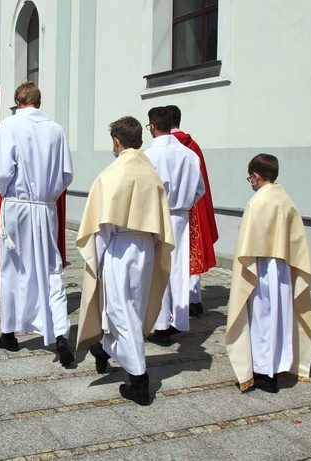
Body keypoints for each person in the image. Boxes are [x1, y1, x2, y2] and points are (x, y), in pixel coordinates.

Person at [75, 116, 174, 405]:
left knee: (120, 310)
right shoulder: (150, 173)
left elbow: (102, 227)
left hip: (120, 247)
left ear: (116, 142)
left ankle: (139, 380)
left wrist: (97, 258)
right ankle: (105, 349)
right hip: (145, 246)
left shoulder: (111, 174)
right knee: (133, 306)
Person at [0, 82, 74, 366]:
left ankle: (9, 333)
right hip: (46, 207)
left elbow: (2, 171)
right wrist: (48, 195)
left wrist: (4, 192)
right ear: (39, 101)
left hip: (17, 204)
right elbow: (66, 174)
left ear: (17, 101)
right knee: (51, 268)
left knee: (13, 267)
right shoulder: (56, 129)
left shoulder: (10, 125)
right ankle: (61, 332)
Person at [226, 154, 311, 394]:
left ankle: (264, 374)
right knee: (280, 315)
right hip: (283, 268)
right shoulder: (286, 200)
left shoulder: (258, 201)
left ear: (255, 176)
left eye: (250, 178)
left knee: (262, 318)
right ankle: (279, 363)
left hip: (262, 268)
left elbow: (249, 241)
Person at [144, 106, 204, 346]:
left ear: (152, 126)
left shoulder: (150, 155)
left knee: (158, 270)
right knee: (178, 270)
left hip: (158, 216)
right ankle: (178, 319)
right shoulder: (190, 155)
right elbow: (200, 189)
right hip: (181, 216)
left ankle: (160, 325)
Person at [166, 105, 218, 318]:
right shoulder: (193, 145)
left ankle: (172, 307)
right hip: (192, 208)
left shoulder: (166, 146)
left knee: (172, 258)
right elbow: (200, 182)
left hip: (170, 209)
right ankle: (194, 299)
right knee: (191, 253)